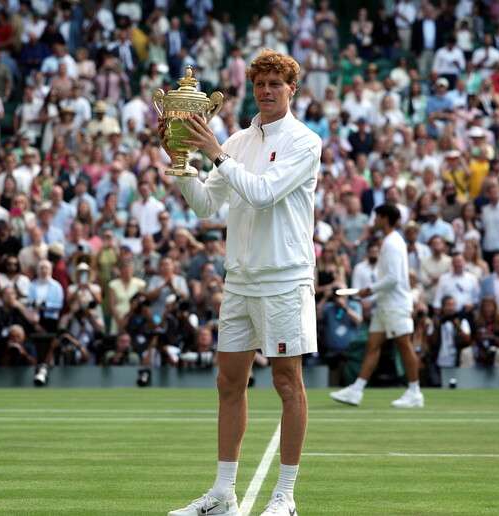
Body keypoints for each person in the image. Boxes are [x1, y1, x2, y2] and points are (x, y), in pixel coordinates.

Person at [166, 49, 321, 516]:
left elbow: (264, 193)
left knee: (287, 382)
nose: (267, 91)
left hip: (284, 279)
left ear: (292, 89)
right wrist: (179, 162)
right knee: (228, 383)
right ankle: (222, 495)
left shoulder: (304, 142)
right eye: (261, 84)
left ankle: (284, 496)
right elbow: (205, 205)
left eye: (276, 84)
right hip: (240, 280)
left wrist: (213, 153)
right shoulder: (236, 140)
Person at [331, 204, 424, 408]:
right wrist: (371, 298)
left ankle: (415, 392)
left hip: (395, 306)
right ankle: (356, 391)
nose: (373, 221)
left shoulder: (392, 243)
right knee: (372, 347)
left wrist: (369, 290)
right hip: (384, 305)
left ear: (384, 218)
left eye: (376, 217)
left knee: (404, 345)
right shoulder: (391, 241)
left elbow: (393, 279)